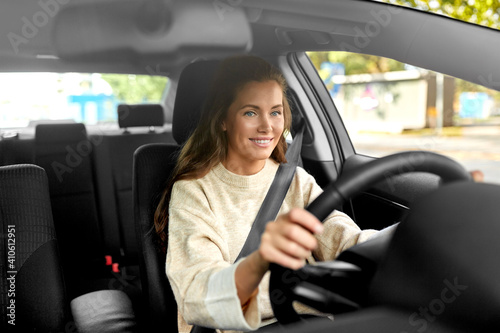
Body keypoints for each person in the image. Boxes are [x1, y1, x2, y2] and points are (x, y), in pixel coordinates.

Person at [154, 55, 394, 333]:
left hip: (309, 322)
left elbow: (345, 240)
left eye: (275, 112)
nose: (267, 126)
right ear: (222, 120)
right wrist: (260, 261)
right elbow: (195, 293)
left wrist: (407, 238)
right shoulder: (195, 190)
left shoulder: (294, 180)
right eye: (250, 112)